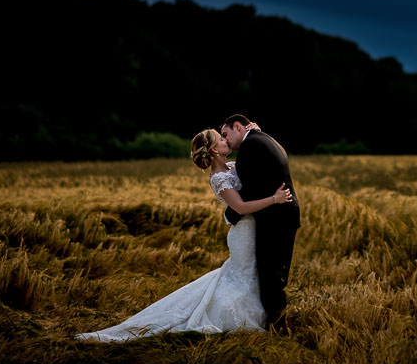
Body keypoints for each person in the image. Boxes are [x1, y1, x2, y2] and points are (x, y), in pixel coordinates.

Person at [76, 128, 293, 341]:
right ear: (215, 150)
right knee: (242, 274)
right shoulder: (218, 178)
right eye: (222, 138)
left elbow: (255, 168)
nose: (227, 139)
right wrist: (274, 200)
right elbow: (240, 207)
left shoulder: (233, 166)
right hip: (243, 234)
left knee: (254, 273)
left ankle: (269, 314)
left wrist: (254, 133)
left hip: (254, 229)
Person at [221, 113, 300, 328]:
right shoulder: (263, 138)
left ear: (238, 127)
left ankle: (277, 327)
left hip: (275, 220)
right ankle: (276, 322)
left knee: (270, 277)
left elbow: (251, 190)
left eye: (226, 134)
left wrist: (230, 214)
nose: (225, 140)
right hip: (283, 217)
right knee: (273, 274)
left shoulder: (251, 146)